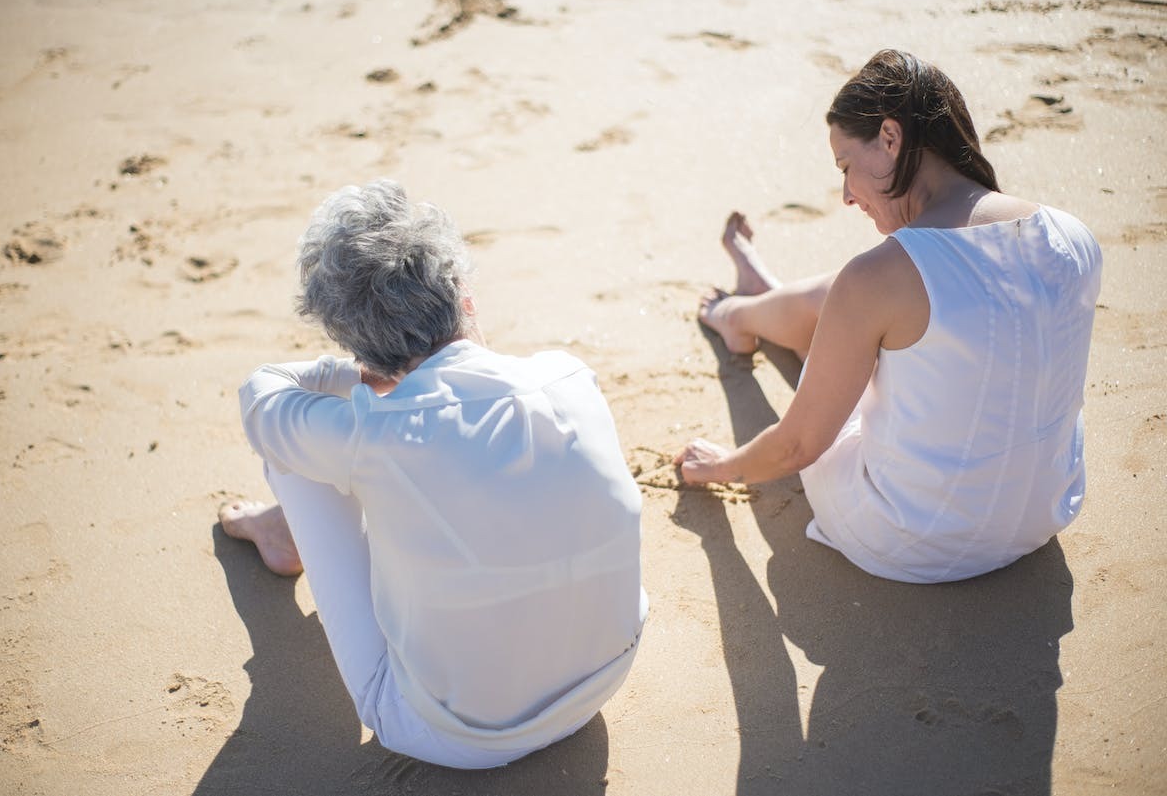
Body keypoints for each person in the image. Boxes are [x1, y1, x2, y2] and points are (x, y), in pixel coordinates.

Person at [219, 179, 647, 768]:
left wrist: (358, 375)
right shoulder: (567, 376)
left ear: (357, 345)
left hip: (462, 738)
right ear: (463, 294)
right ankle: (284, 525)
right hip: (605, 677)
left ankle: (286, 527)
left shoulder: (378, 436)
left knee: (296, 446)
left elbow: (260, 395)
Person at [675, 49, 1102, 584]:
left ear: (891, 139)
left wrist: (718, 466)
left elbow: (798, 445)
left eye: (846, 166)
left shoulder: (881, 277)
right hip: (1043, 514)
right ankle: (752, 306)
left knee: (855, 298)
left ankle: (740, 313)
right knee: (869, 300)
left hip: (911, 536)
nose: (847, 195)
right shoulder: (1074, 235)